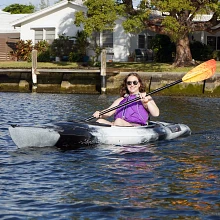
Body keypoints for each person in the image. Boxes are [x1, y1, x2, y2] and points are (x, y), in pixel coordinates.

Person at [93, 73, 159, 126]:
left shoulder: (146, 97)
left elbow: (156, 114)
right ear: (126, 85)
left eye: (135, 82)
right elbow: (109, 112)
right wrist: (100, 113)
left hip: (136, 126)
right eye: (129, 83)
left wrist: (147, 102)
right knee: (99, 121)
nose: (132, 85)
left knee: (118, 121)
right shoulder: (121, 100)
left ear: (139, 84)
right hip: (118, 125)